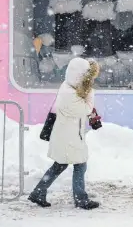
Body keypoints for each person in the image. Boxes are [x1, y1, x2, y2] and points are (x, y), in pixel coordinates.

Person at [28, 57, 101, 210]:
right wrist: (90, 94)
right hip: (69, 137)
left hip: (68, 136)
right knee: (79, 165)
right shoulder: (69, 94)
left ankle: (38, 192)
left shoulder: (69, 87)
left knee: (59, 165)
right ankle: (81, 199)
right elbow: (84, 109)